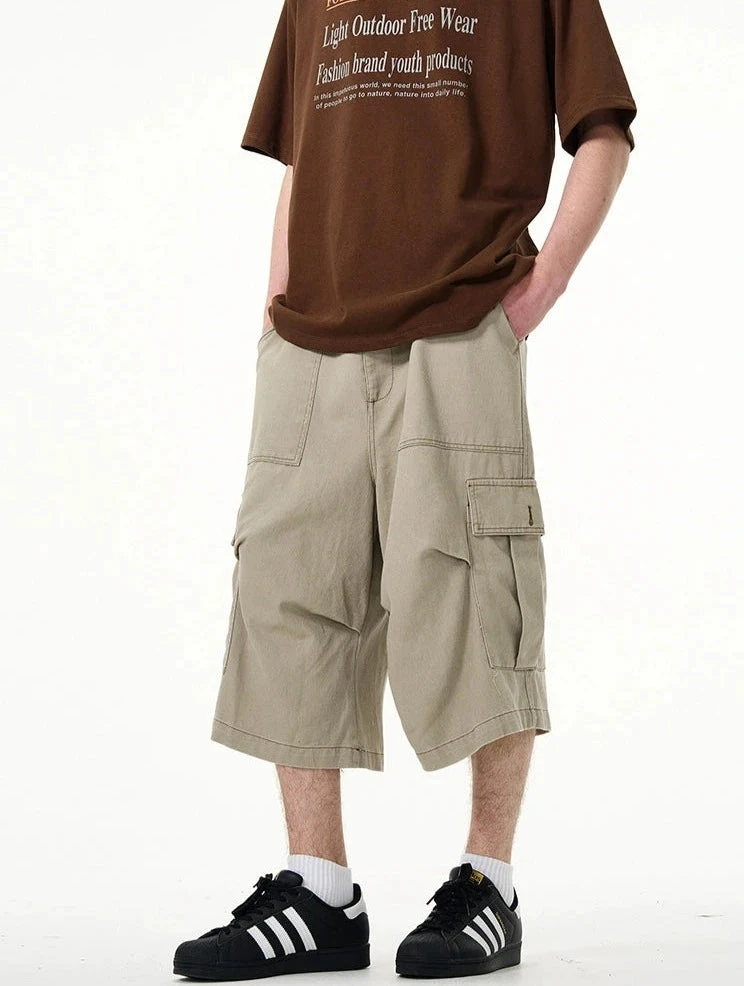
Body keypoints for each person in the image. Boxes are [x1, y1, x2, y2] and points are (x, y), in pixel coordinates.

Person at [174, 0, 637, 979]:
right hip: (310, 340)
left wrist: (542, 287)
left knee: (477, 588)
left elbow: (603, 132)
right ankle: (318, 891)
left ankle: (487, 882)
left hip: (460, 325)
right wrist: (275, 308)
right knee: (289, 592)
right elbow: (302, 160)